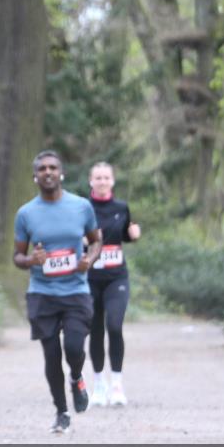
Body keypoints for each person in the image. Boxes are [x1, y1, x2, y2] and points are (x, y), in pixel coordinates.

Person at [13, 151, 102, 434]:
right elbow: (17, 256)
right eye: (42, 168)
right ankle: (62, 412)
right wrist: (31, 261)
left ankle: (77, 378)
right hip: (42, 293)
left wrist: (90, 258)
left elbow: (96, 240)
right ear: (35, 176)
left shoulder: (81, 207)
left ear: (61, 173)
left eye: (53, 168)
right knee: (51, 356)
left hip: (76, 291)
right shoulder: (26, 213)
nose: (48, 172)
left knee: (74, 348)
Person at [86, 162, 141, 407]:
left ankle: (117, 384)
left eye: (106, 177)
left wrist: (133, 235)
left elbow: (125, 235)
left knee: (115, 325)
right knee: (95, 329)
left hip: (116, 276)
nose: (102, 181)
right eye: (98, 177)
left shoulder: (121, 207)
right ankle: (99, 384)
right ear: (91, 182)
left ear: (113, 181)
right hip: (90, 278)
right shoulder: (82, 209)